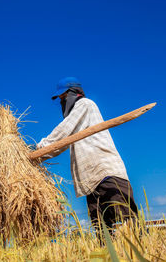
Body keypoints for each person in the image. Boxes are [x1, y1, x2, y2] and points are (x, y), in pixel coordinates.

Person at [37, 77, 138, 237]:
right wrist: (39, 156)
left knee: (125, 225)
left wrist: (40, 147)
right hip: (91, 182)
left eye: (64, 98)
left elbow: (63, 130)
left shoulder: (85, 105)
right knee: (103, 231)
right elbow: (60, 144)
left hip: (107, 174)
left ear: (73, 93)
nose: (62, 102)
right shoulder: (77, 122)